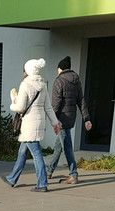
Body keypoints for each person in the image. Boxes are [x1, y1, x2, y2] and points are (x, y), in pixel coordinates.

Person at [2, 58, 60, 192]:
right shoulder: (43, 85)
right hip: (39, 123)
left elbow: (20, 107)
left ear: (28, 70)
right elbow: (48, 107)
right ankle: (12, 178)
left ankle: (42, 184)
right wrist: (55, 122)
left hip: (28, 124)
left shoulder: (25, 84)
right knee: (22, 152)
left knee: (36, 154)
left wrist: (13, 102)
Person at [49, 56, 92, 185]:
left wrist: (54, 120)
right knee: (59, 145)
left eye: (57, 69)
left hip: (61, 119)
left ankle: (73, 175)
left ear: (60, 68)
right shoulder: (76, 80)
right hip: (71, 118)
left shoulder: (59, 80)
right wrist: (86, 118)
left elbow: (56, 104)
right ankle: (49, 170)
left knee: (67, 147)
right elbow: (81, 101)